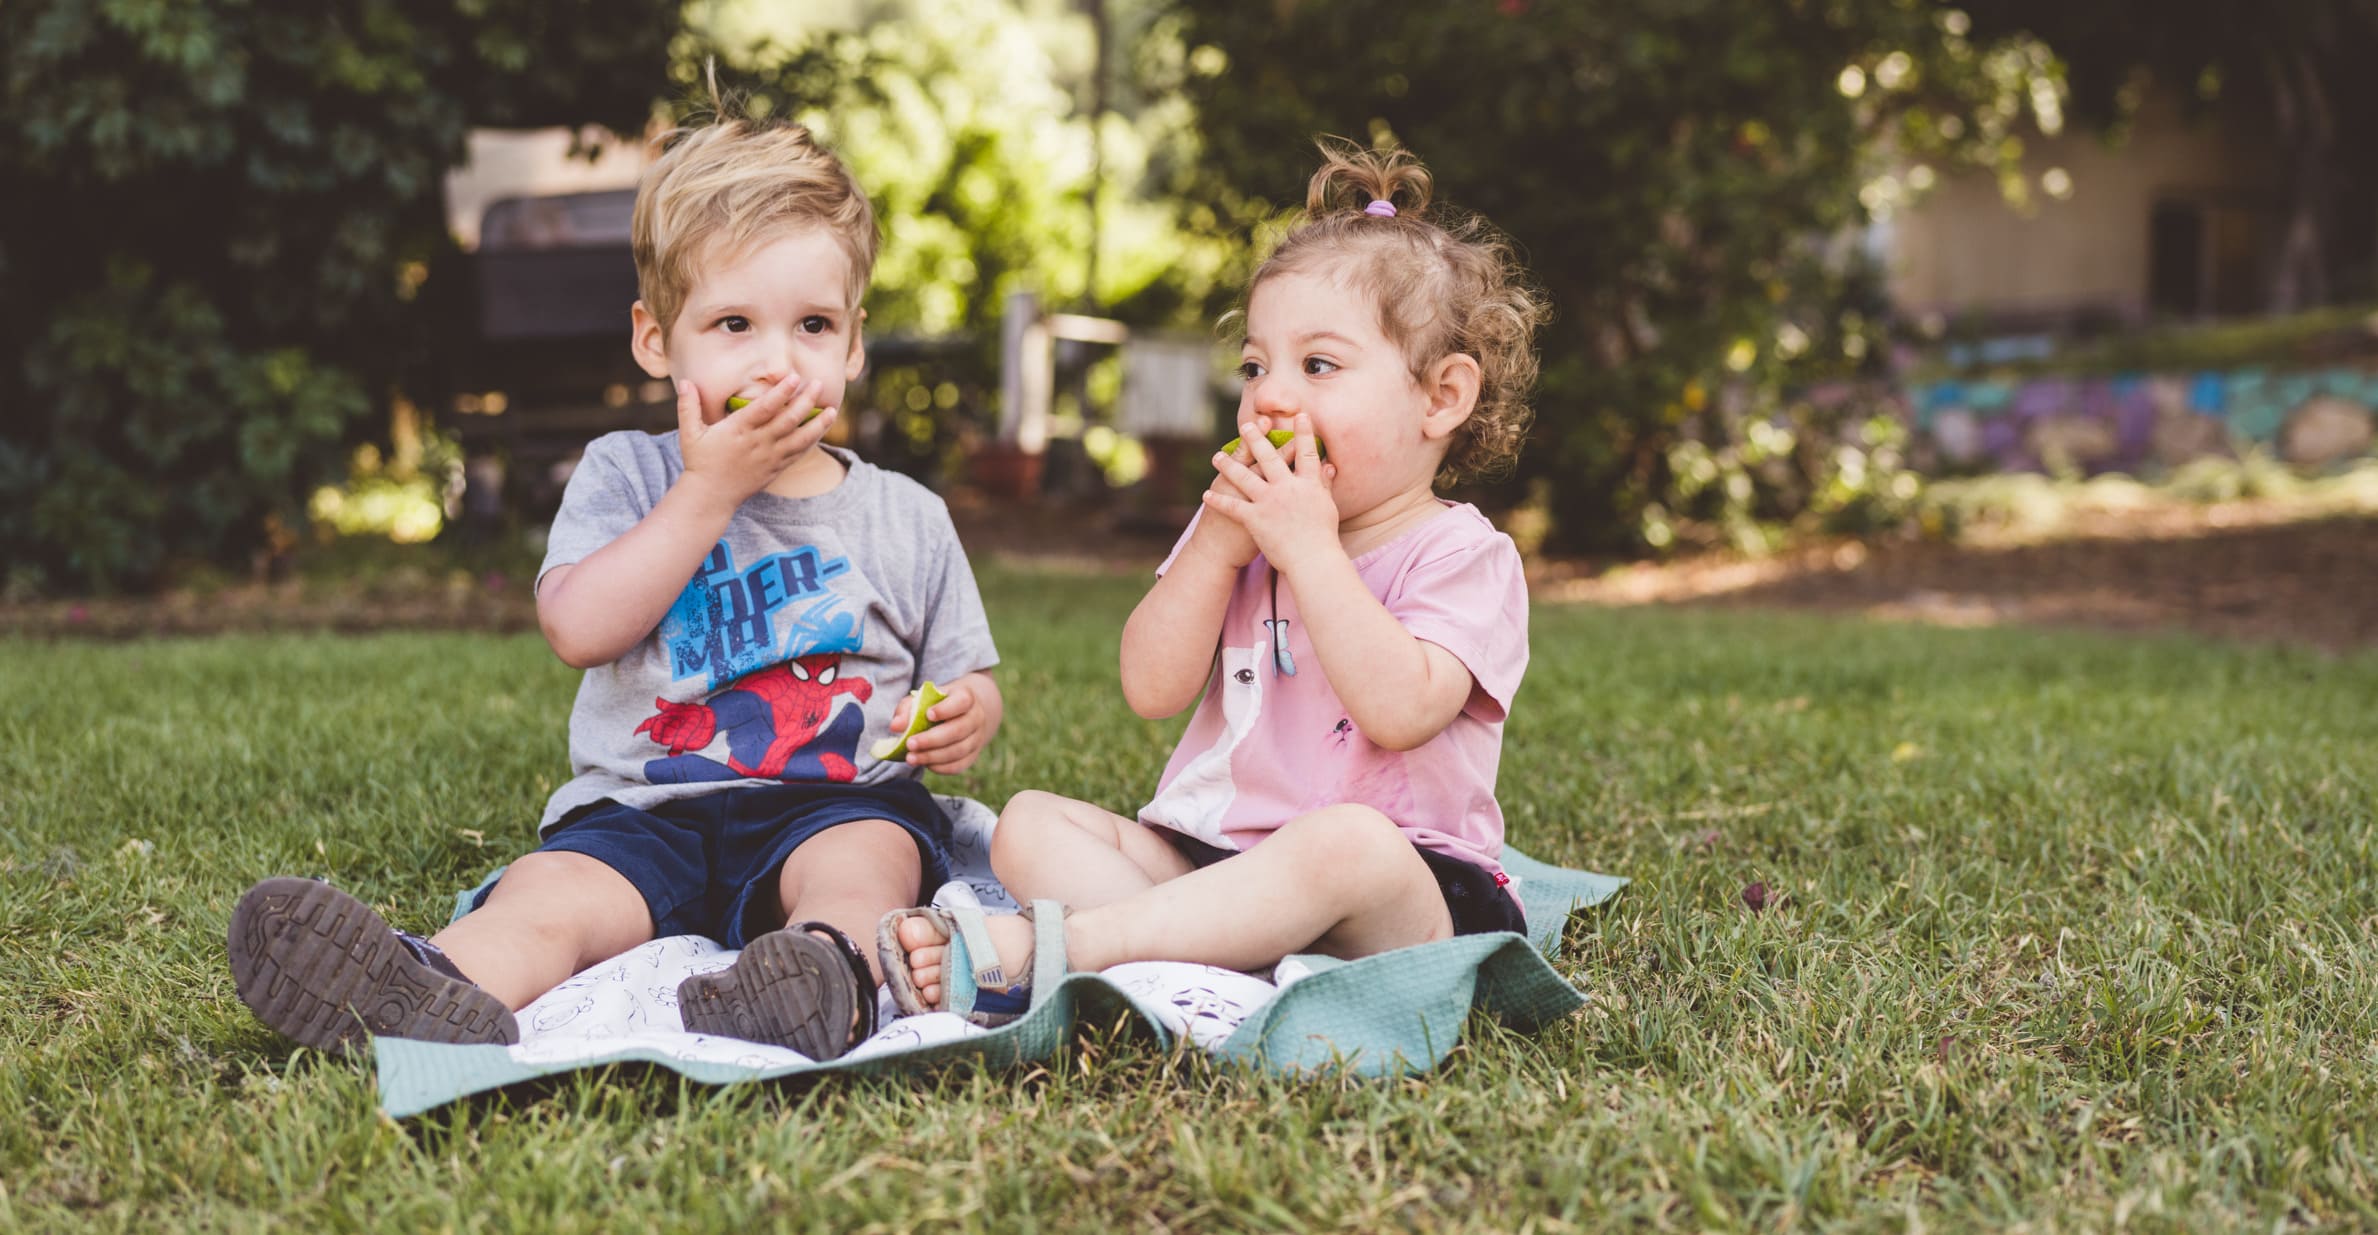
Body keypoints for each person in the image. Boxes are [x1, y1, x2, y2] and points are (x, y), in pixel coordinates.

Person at [228, 108, 1002, 1061]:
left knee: (865, 866)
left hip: (832, 802)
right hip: (644, 809)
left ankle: (818, 973)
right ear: (654, 338)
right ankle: (422, 986)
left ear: (852, 345)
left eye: (812, 324)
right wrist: (706, 493)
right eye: (733, 323)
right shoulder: (626, 475)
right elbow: (577, 627)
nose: (777, 358)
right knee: (551, 899)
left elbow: (968, 676)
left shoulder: (906, 514)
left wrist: (968, 711)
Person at [880, 141, 1542, 1025]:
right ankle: (1201, 945)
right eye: (1256, 367)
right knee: (1031, 821)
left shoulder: (1465, 556)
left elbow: (1400, 709)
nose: (1269, 397)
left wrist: (1311, 552)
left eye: (1318, 366)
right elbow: (1150, 688)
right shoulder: (1242, 530)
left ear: (1441, 397)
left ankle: (1063, 954)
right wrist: (1216, 550)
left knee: (1345, 844)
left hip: (1402, 895)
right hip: (1218, 861)